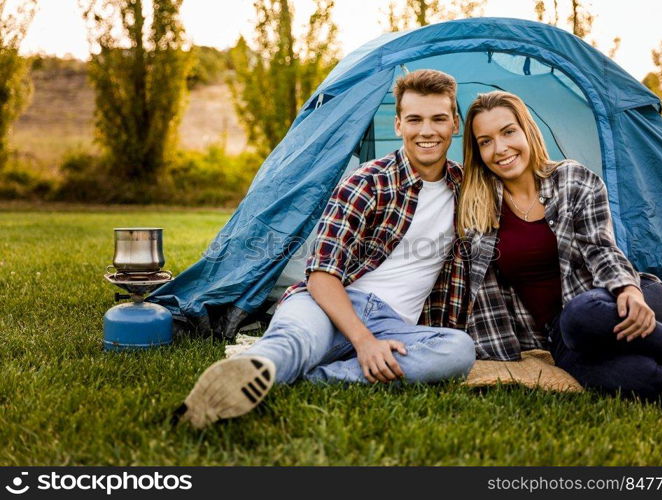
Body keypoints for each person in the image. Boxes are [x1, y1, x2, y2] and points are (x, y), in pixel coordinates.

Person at [176, 70, 476, 429]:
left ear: (455, 124)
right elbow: (321, 275)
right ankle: (247, 374)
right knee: (295, 340)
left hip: (395, 327)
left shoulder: (467, 186)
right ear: (398, 125)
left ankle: (311, 377)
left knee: (458, 350)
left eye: (438, 119)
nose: (427, 131)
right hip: (329, 304)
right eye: (415, 119)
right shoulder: (367, 181)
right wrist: (363, 341)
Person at [447, 90, 662, 400]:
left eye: (508, 131)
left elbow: (601, 247)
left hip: (626, 300)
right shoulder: (476, 208)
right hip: (567, 337)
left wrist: (629, 291)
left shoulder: (573, 179)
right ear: (477, 151)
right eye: (485, 141)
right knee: (645, 377)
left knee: (585, 310)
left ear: (527, 130)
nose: (500, 148)